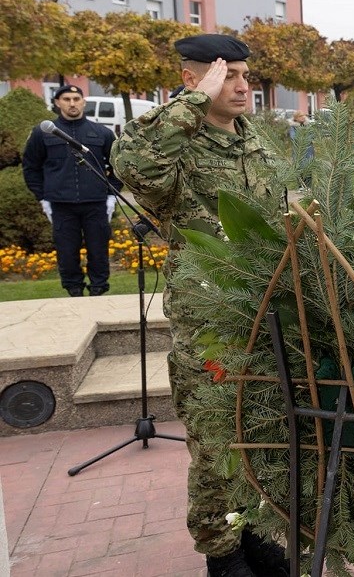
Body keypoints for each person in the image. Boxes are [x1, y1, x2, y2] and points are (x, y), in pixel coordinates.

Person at [112, 34, 285, 577]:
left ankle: (255, 531)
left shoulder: (253, 137)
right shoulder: (175, 144)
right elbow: (132, 165)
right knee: (215, 436)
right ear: (193, 79)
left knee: (262, 426)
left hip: (264, 308)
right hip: (208, 315)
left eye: (244, 75)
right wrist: (192, 101)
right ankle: (221, 551)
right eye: (226, 75)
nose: (240, 86)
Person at [22, 84, 121, 297]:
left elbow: (119, 166)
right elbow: (31, 166)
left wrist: (112, 195)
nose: (72, 103)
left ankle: (98, 289)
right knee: (67, 253)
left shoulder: (101, 132)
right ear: (58, 103)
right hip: (61, 204)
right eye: (66, 99)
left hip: (95, 203)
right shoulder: (43, 133)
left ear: (83, 101)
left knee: (98, 252)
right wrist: (42, 197)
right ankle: (73, 290)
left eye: (76, 98)